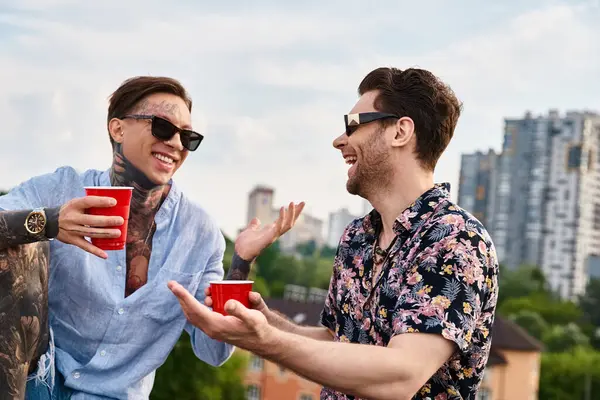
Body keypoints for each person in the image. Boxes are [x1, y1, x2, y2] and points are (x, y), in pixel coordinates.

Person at [169, 67, 500, 400]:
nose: (339, 140)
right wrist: (267, 325)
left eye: (353, 125)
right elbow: (337, 343)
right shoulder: (357, 237)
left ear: (400, 131)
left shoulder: (454, 239)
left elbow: (401, 374)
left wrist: (265, 341)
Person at [0, 76, 304, 399]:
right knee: (16, 247)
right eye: (162, 127)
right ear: (117, 129)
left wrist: (242, 262)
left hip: (116, 396)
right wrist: (49, 222)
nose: (175, 143)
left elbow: (213, 351)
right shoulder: (63, 188)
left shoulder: (200, 234)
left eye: (187, 137)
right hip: (38, 383)